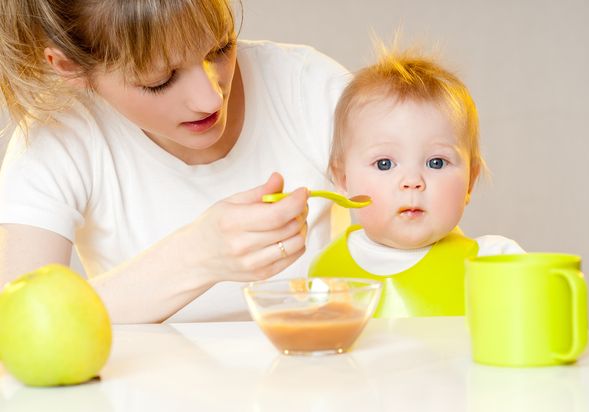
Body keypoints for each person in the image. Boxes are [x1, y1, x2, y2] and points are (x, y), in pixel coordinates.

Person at [0, 0, 350, 323]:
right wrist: (197, 256)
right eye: (159, 81)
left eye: (220, 48)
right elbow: (15, 330)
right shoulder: (59, 136)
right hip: (139, 392)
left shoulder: (311, 89)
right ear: (69, 67)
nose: (210, 99)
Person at [309, 47, 524, 317]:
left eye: (436, 162)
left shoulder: (493, 264)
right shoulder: (326, 269)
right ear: (343, 180)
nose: (412, 182)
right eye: (384, 164)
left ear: (470, 180)